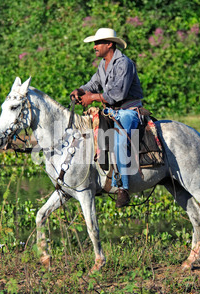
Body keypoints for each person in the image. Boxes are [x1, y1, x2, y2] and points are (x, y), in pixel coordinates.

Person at [70, 28, 144, 208]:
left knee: (118, 142)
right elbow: (93, 84)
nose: (95, 47)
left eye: (98, 43)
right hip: (111, 111)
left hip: (128, 110)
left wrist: (92, 98)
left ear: (109, 44)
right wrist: (80, 91)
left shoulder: (123, 63)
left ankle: (123, 188)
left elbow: (117, 94)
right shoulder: (103, 65)